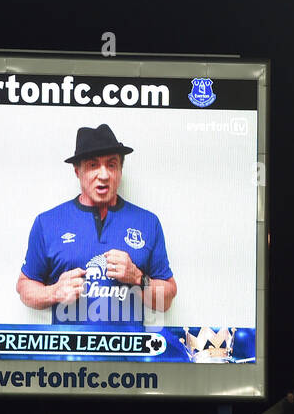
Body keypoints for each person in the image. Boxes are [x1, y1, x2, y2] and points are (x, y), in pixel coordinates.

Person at [15, 124, 177, 326]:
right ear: (77, 171)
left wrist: (138, 277)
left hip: (129, 354)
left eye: (111, 165)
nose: (104, 175)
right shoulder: (48, 222)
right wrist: (53, 292)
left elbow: (167, 299)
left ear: (120, 170)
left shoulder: (147, 222)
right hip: (69, 353)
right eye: (93, 165)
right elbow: (24, 287)